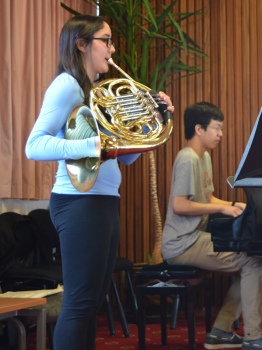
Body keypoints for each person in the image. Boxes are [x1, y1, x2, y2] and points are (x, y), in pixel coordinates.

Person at [25, 14, 174, 350]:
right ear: (82, 45)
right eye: (105, 41)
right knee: (79, 305)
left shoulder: (93, 92)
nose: (113, 48)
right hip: (78, 203)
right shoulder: (67, 85)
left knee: (92, 305)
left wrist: (153, 121)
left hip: (104, 200)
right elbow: (34, 145)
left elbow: (123, 155)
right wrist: (95, 145)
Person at [162, 102, 262, 350]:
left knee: (251, 259)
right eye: (216, 129)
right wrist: (221, 209)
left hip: (194, 237)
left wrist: (234, 204)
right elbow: (179, 205)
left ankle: (220, 333)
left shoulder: (204, 156)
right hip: (181, 244)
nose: (220, 134)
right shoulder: (186, 159)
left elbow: (207, 198)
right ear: (199, 129)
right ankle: (253, 337)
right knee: (251, 262)